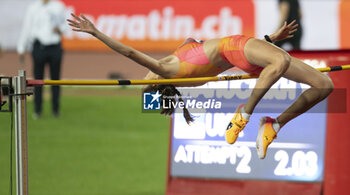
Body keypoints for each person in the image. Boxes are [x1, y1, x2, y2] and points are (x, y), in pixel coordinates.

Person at [68, 14, 333, 159]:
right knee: (282, 59)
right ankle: (244, 114)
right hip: (235, 48)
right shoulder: (168, 69)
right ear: (157, 81)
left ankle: (272, 126)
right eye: (148, 77)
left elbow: (212, 51)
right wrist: (96, 32)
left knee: (324, 85)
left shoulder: (183, 70)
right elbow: (129, 52)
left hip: (242, 57)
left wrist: (268, 39)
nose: (148, 72)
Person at [17, 0, 67, 119]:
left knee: (56, 80)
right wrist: (21, 48)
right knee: (37, 80)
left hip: (55, 46)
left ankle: (55, 110)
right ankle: (37, 110)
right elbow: (27, 28)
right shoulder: (33, 8)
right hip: (38, 46)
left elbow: (65, 25)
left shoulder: (58, 6)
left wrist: (60, 30)